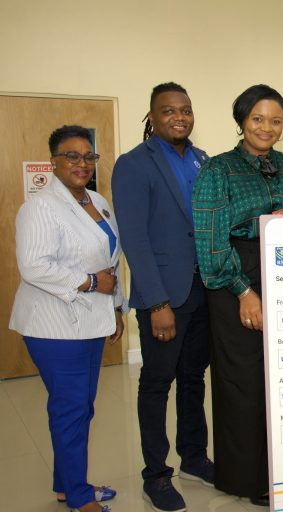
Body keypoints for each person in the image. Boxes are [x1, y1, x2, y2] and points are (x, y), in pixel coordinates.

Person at [192, 84, 283, 507]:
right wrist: (244, 291)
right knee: (244, 383)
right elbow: (210, 241)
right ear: (242, 121)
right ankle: (250, 478)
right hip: (237, 276)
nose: (267, 127)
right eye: (258, 119)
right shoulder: (219, 169)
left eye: (276, 120)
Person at [10, 125, 126, 512]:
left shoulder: (98, 201)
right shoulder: (40, 207)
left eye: (89, 156)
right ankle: (78, 496)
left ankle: (66, 485)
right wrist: (90, 282)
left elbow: (112, 261)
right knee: (72, 408)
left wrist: (116, 307)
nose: (82, 164)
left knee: (80, 407)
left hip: (91, 320)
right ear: (53, 162)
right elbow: (34, 267)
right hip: (53, 326)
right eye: (72, 156)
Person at [112, 82, 213, 512]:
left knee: (194, 379)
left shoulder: (203, 160)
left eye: (185, 109)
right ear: (151, 117)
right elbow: (134, 239)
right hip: (165, 297)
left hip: (203, 290)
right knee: (157, 384)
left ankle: (194, 457)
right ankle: (156, 474)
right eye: (169, 110)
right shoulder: (134, 164)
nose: (179, 117)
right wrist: (156, 303)